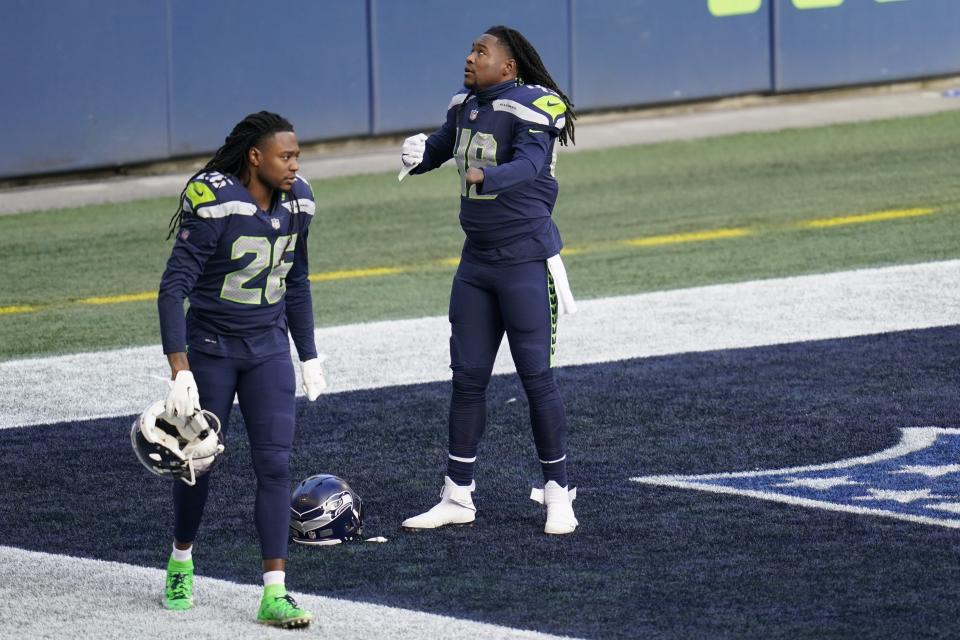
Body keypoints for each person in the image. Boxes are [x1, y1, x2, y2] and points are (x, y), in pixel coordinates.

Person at [398, 26, 579, 535]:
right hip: (476, 264)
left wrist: (487, 177)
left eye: (482, 52)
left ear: (510, 66)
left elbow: (530, 165)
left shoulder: (534, 105)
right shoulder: (465, 103)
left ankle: (559, 492)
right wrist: (420, 156)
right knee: (468, 379)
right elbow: (442, 146)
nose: (470, 57)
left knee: (536, 379)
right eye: (471, 49)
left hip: (525, 261)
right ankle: (457, 495)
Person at [157, 111, 327, 628]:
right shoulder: (217, 203)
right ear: (256, 157)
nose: (295, 165)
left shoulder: (298, 202)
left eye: (297, 155)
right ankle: (181, 560)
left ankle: (274, 592)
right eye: (286, 156)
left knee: (275, 466)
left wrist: (310, 353)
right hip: (212, 349)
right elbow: (172, 289)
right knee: (198, 462)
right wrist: (179, 368)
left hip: (269, 349)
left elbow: (296, 281)